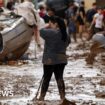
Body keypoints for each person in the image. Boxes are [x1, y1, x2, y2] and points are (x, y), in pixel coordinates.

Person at [35, 16, 74, 104]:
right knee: (59, 78)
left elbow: (40, 31)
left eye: (50, 23)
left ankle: (41, 98)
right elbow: (67, 44)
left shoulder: (50, 32)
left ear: (55, 23)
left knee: (46, 79)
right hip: (61, 59)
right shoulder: (65, 34)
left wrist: (47, 26)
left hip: (49, 60)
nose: (49, 24)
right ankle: (63, 97)